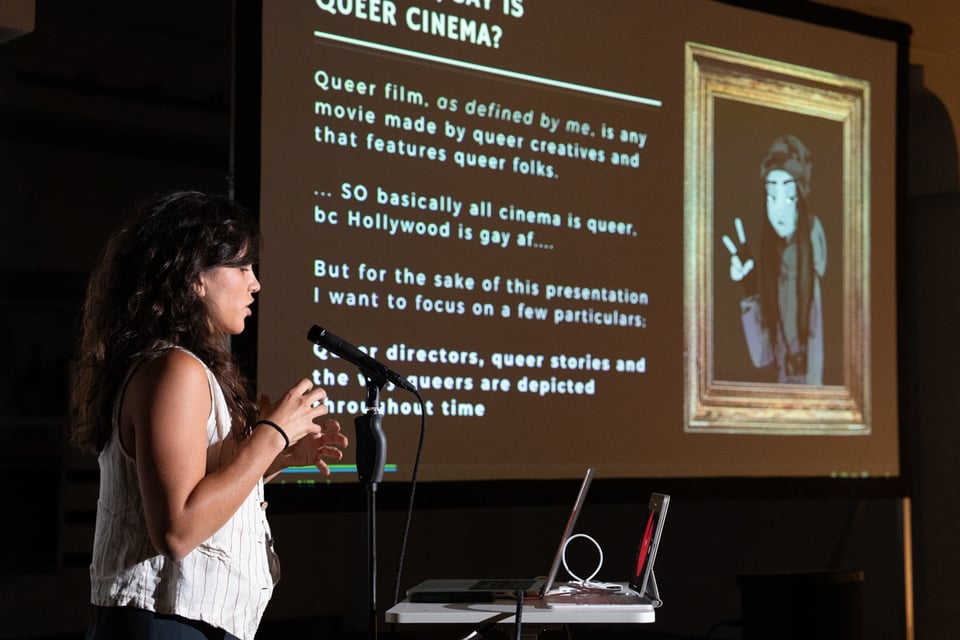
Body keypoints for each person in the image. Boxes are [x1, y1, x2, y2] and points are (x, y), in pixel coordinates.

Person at [68, 190, 349, 640]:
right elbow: (178, 529)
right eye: (240, 267)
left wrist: (274, 458)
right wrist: (272, 433)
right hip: (163, 626)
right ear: (194, 277)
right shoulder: (175, 370)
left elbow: (196, 491)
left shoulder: (179, 366)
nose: (255, 283)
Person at [722, 134, 827, 384]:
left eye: (788, 197)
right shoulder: (774, 261)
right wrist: (749, 287)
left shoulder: (813, 251)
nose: (778, 208)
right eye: (771, 197)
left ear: (800, 199)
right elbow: (763, 357)